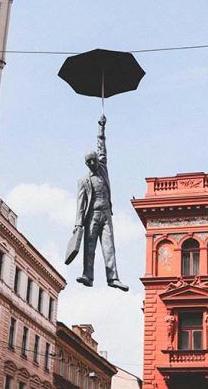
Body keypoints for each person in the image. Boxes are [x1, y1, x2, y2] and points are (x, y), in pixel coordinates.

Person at [73, 114, 128, 291]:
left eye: (93, 160)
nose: (91, 163)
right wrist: (78, 224)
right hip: (92, 216)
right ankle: (88, 276)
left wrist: (101, 127)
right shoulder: (83, 181)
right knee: (89, 247)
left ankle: (113, 278)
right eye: (88, 162)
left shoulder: (103, 168)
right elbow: (80, 205)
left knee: (109, 246)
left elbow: (101, 146)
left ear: (97, 160)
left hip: (105, 214)